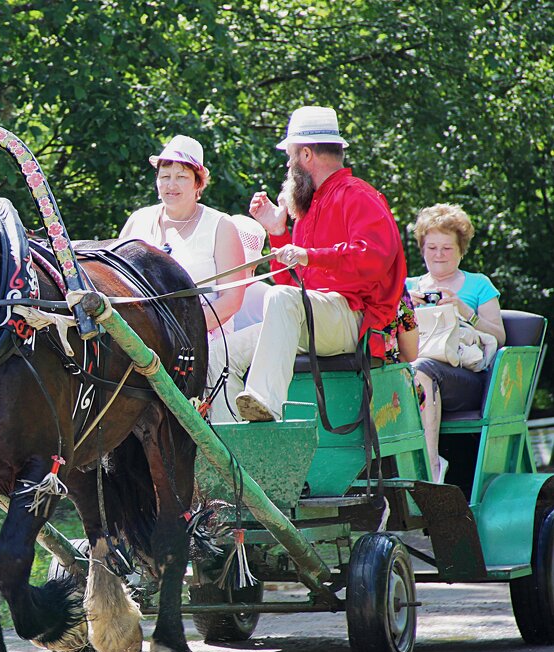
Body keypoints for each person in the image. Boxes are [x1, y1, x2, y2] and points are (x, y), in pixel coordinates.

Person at [207, 105, 406, 424]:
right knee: (221, 355)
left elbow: (374, 259)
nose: (287, 164)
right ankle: (232, 455)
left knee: (280, 300)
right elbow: (293, 291)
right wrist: (278, 231)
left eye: (290, 156)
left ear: (306, 156)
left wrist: (309, 255)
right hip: (316, 319)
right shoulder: (308, 208)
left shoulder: (358, 195)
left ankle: (263, 401)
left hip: (354, 320)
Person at [407, 203, 505, 481]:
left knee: (422, 368)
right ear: (422, 249)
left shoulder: (479, 284)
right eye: (432, 248)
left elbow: (498, 336)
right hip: (416, 373)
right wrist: (403, 310)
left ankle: (431, 467)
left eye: (447, 248)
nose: (439, 255)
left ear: (461, 250)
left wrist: (465, 311)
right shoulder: (407, 287)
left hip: (468, 379)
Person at [119, 134, 247, 336]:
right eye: (165, 176)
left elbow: (232, 299)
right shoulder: (138, 220)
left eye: (181, 177)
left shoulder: (220, 226)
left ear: (198, 183)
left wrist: (179, 332)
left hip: (202, 339)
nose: (171, 185)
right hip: (138, 339)